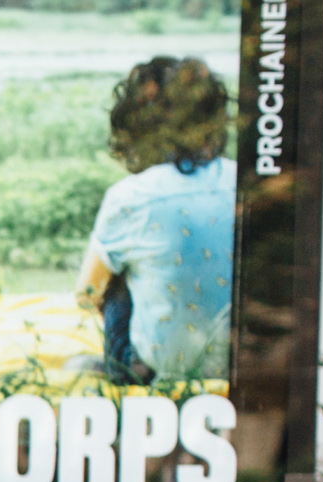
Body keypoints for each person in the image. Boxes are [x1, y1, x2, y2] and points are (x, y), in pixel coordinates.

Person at [78, 56, 235, 384]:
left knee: (115, 276)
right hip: (237, 364)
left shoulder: (131, 196)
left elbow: (87, 292)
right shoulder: (242, 181)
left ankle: (124, 365)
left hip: (152, 371)